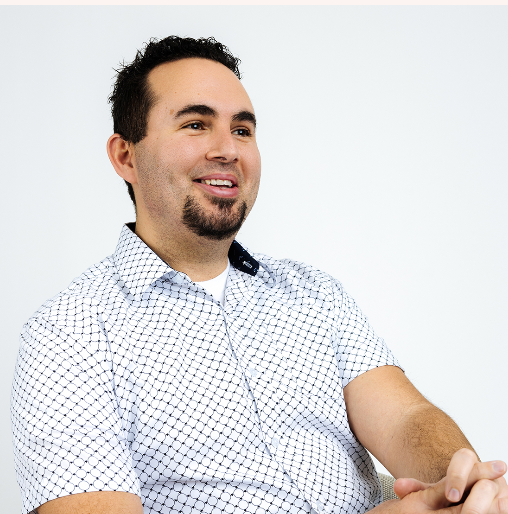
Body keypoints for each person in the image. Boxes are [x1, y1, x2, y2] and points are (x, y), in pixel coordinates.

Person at [11, 36, 507, 514]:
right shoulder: (67, 333)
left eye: (243, 130)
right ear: (126, 156)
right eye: (195, 125)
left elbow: (405, 418)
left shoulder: (314, 293)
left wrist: (460, 489)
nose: (228, 149)